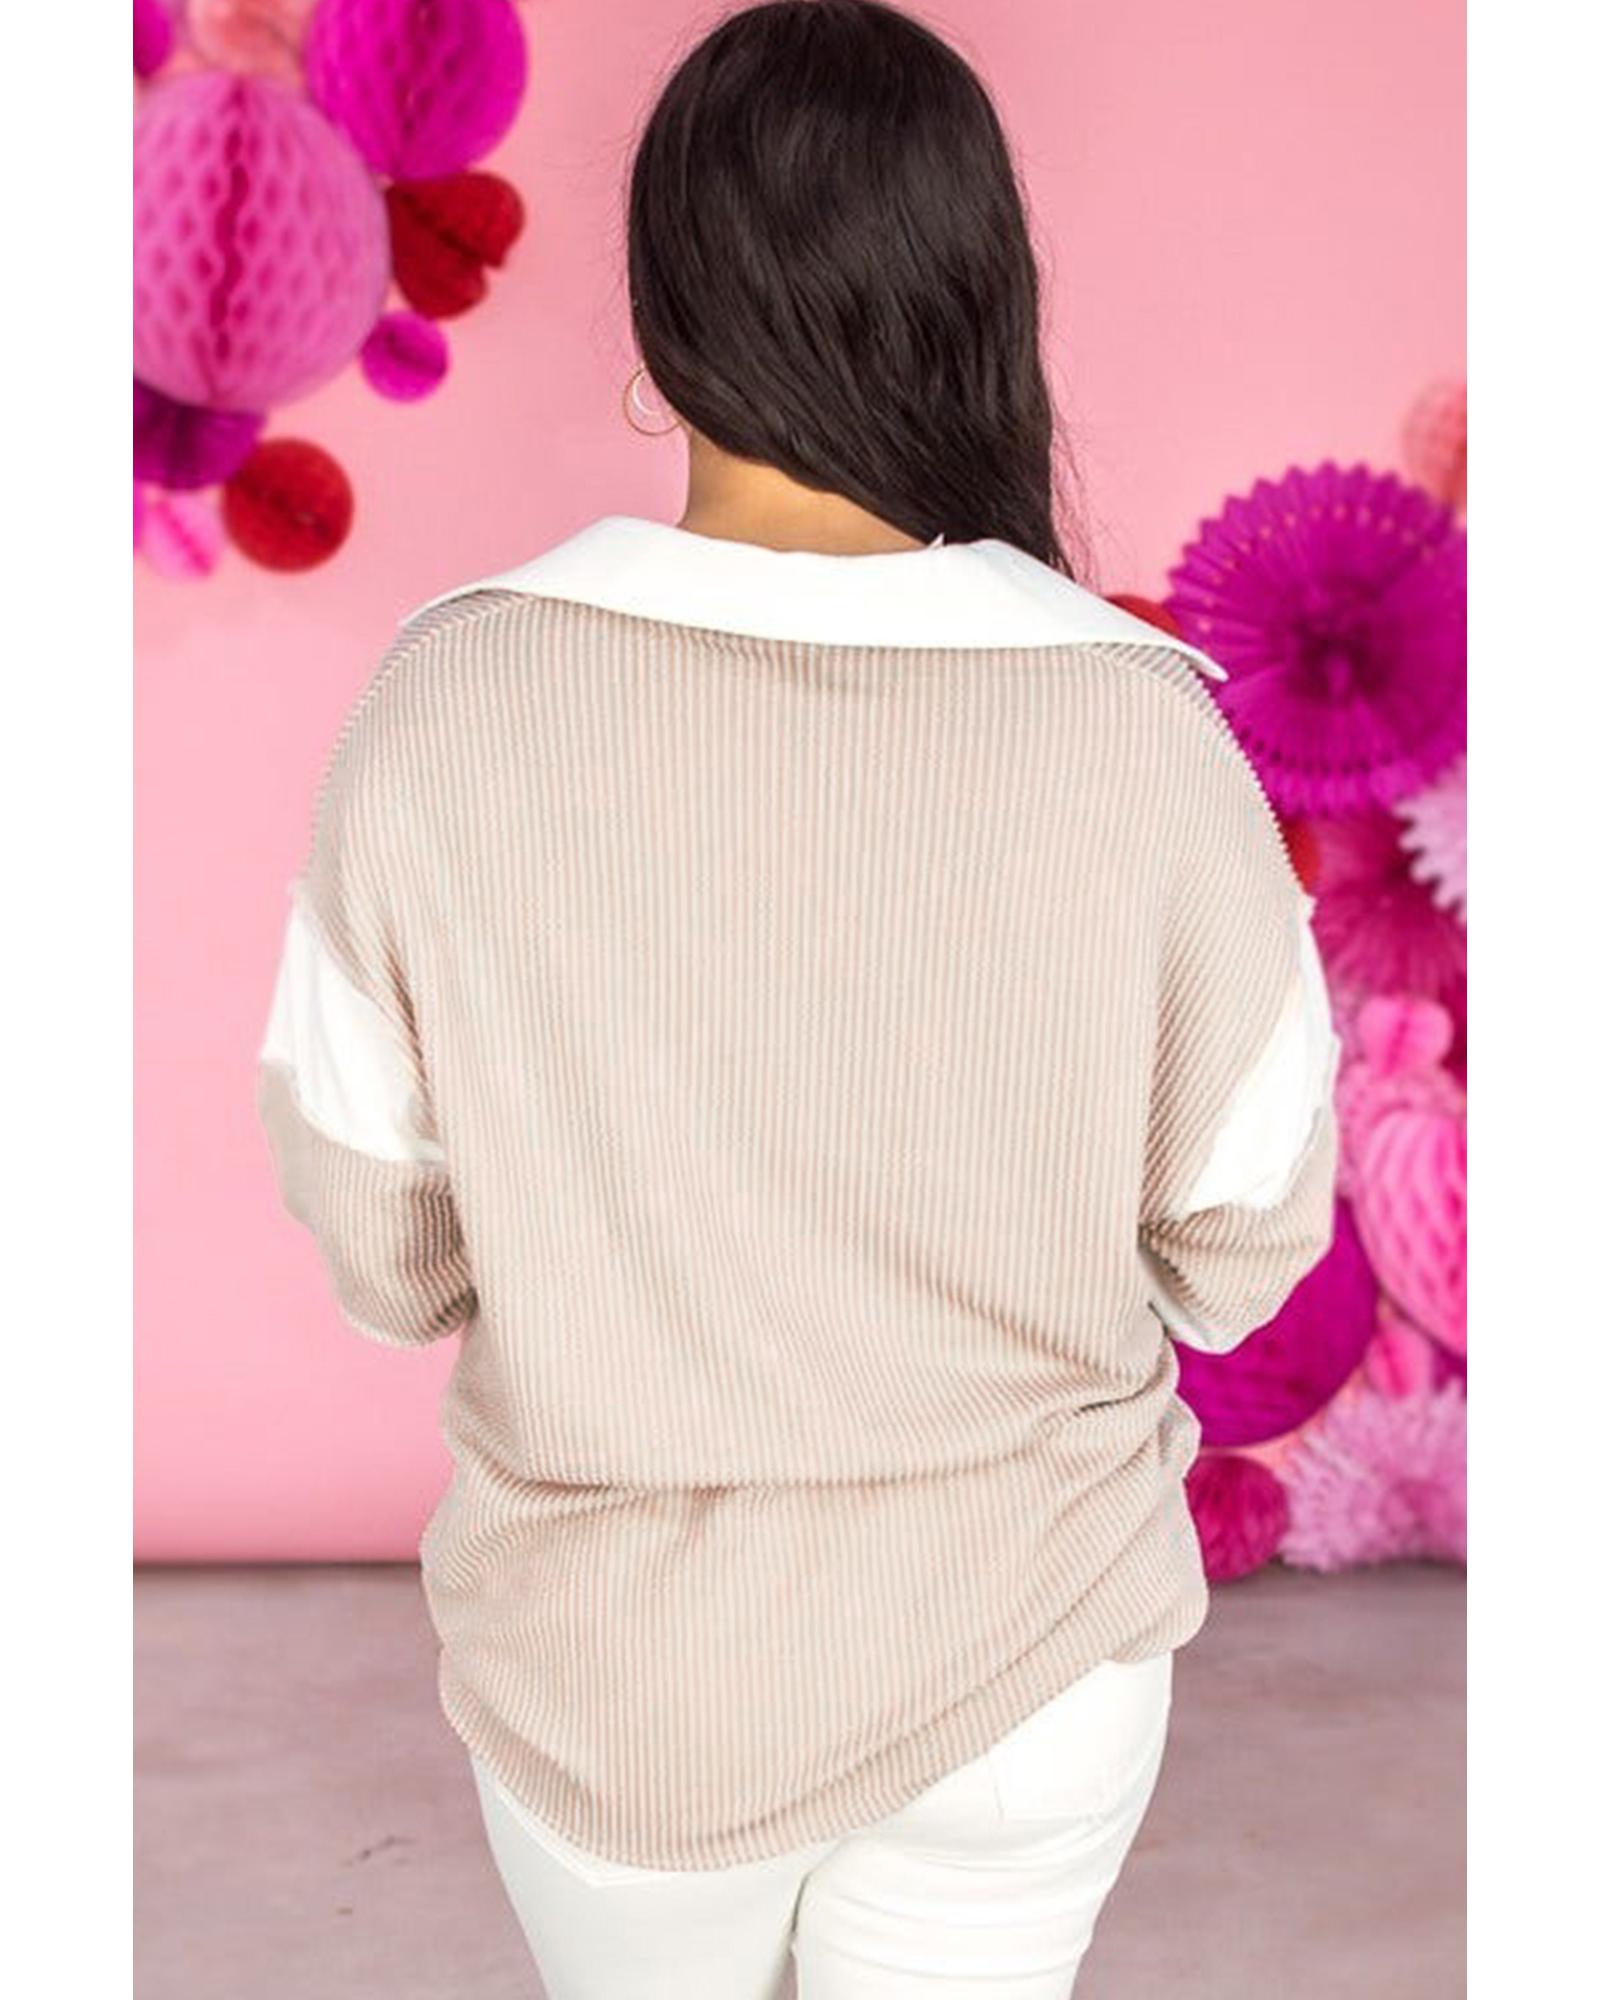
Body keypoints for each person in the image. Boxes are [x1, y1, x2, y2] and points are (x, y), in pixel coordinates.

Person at [255, 2, 1339, 1993]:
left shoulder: (444, 704)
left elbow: (387, 1247)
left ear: (663, 321)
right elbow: (1243, 1244)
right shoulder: (1144, 733)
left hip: (622, 1683)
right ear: (977, 310)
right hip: (1030, 1652)